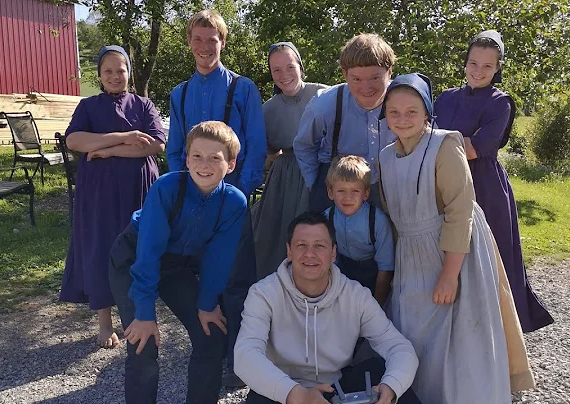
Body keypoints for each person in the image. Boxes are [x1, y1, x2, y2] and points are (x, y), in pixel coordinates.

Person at [379, 73, 534, 403]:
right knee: (417, 332)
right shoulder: (385, 157)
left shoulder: (445, 144)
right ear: (385, 114)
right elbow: (394, 219)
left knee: (460, 334)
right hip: (412, 253)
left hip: (455, 249)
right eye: (394, 112)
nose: (403, 119)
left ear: (426, 114)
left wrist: (450, 275)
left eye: (412, 112)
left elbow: (459, 210)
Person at [109, 121, 247, 404]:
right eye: (197, 156)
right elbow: (148, 255)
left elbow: (217, 259)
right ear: (186, 159)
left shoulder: (234, 202)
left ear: (231, 164)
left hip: (175, 266)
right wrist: (145, 313)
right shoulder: (167, 187)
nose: (204, 164)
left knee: (211, 336)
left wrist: (207, 304)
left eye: (215, 158)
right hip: (133, 258)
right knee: (143, 343)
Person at [165, 9, 266, 385]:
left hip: (232, 202)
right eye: (198, 39)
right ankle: (210, 348)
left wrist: (235, 195)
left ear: (223, 42)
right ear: (189, 41)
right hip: (194, 204)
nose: (206, 47)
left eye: (213, 39)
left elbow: (255, 146)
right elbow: (175, 150)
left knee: (237, 283)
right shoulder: (181, 93)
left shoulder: (244, 88)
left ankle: (241, 359)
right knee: (203, 278)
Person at [433, 30, 553, 333]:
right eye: (473, 63)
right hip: (444, 182)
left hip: (484, 187)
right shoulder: (445, 99)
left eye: (487, 66)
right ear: (465, 63)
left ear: (497, 68)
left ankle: (498, 331)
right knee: (445, 254)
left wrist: (438, 144)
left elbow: (476, 149)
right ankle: (454, 328)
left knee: (489, 257)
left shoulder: (501, 103)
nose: (478, 71)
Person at [234, 212, 422, 404]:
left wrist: (391, 386)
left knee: (382, 374)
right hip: (284, 391)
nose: (310, 254)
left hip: (336, 389)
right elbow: (245, 355)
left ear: (333, 253)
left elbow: (399, 348)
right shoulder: (264, 293)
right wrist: (297, 395)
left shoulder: (355, 295)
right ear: (289, 251)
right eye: (301, 246)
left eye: (319, 246)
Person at [59, 45, 165, 349]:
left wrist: (107, 150)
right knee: (102, 247)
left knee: (140, 248)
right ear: (100, 75)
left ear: (129, 72)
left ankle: (140, 317)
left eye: (121, 70)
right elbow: (75, 139)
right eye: (109, 71)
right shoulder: (88, 106)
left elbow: (156, 144)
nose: (116, 76)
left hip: (139, 187)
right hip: (99, 191)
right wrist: (124, 137)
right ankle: (105, 324)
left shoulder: (144, 105)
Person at [293, 33, 396, 213]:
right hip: (337, 186)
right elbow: (304, 145)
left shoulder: (405, 100)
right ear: (345, 75)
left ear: (389, 72)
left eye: (375, 78)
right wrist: (315, 184)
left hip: (388, 186)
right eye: (357, 79)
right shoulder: (324, 104)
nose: (366, 88)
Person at [252, 42, 328, 280]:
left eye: (289, 66)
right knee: (277, 239)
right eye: (276, 70)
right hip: (285, 180)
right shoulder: (267, 110)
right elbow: (268, 152)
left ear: (300, 66)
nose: (284, 75)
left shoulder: (325, 95)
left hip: (323, 172)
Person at [323, 155, 394, 305]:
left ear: (366, 194)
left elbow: (385, 267)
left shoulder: (378, 221)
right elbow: (327, 261)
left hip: (373, 277)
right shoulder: (327, 218)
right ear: (330, 193)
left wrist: (377, 305)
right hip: (341, 274)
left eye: (355, 191)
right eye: (341, 191)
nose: (348, 197)